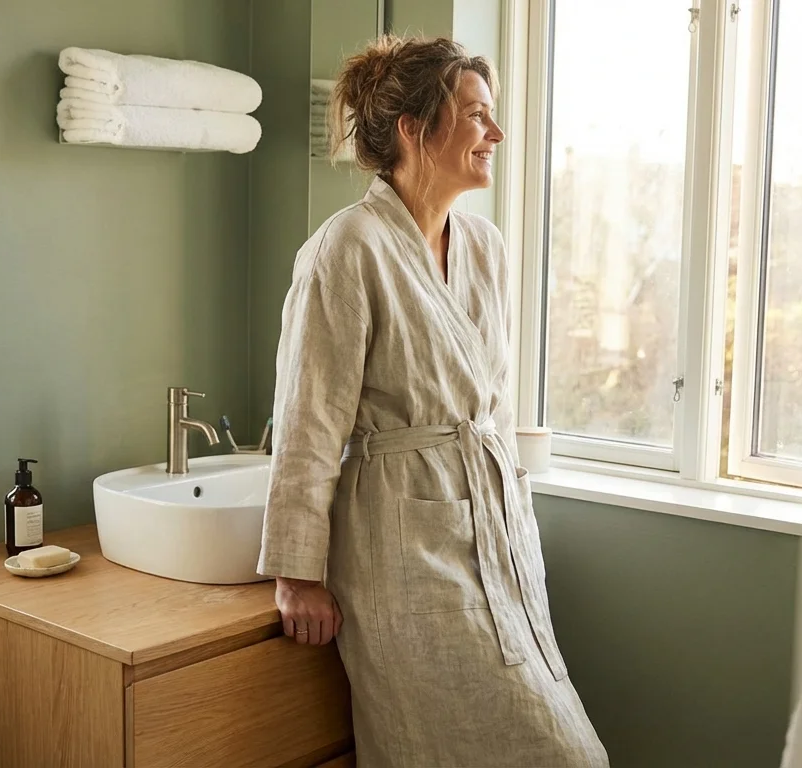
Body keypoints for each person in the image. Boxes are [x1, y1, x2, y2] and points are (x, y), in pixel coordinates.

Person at [257, 34, 609, 768]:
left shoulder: (487, 247)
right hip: (403, 548)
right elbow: (308, 419)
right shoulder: (346, 249)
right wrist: (296, 574)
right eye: (477, 115)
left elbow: (496, 399)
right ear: (417, 130)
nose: (496, 133)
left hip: (498, 538)